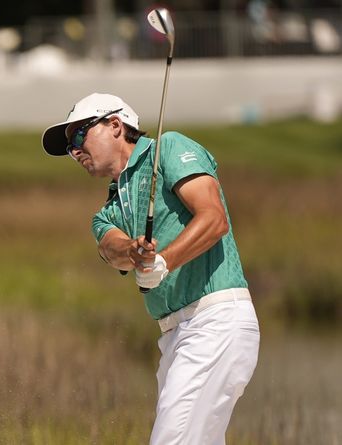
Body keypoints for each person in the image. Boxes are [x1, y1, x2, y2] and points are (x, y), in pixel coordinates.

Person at [41, 93, 260, 444]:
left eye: (79, 136)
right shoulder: (108, 209)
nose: (76, 151)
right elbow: (110, 248)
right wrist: (132, 250)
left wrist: (163, 261)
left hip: (215, 320)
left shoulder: (168, 149)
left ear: (115, 125)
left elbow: (214, 218)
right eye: (70, 148)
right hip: (175, 336)